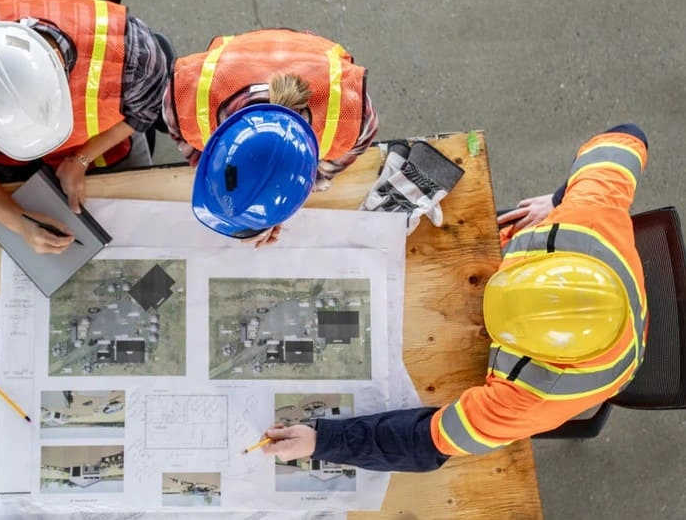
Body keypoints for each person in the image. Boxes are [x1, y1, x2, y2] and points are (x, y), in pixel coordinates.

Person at [260, 124, 649, 471]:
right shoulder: (588, 212)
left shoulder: (538, 396)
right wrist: (560, 200)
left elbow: (426, 441)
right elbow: (628, 136)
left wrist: (321, 442)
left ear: (533, 354)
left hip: (615, 363)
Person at [0, 0, 167, 254]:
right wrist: (18, 220)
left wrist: (81, 159)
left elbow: (143, 112)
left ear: (60, 69)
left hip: (95, 146)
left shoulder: (130, 53)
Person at [162, 29, 378, 247]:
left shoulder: (349, 113)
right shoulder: (184, 97)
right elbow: (187, 141)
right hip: (268, 53)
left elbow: (359, 141)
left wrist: (289, 194)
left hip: (304, 55)